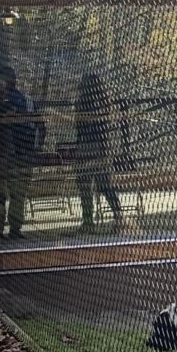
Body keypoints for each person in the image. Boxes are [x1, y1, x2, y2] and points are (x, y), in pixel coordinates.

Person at [0, 67, 42, 239]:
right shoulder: (24, 100)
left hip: (2, 154)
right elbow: (39, 125)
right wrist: (36, 146)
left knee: (1, 195)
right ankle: (14, 229)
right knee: (16, 195)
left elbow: (39, 124)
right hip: (18, 153)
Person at [73, 72, 124, 233]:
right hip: (98, 146)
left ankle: (90, 221)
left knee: (88, 184)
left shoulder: (87, 102)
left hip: (90, 146)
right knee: (101, 184)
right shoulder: (102, 102)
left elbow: (81, 125)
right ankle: (116, 218)